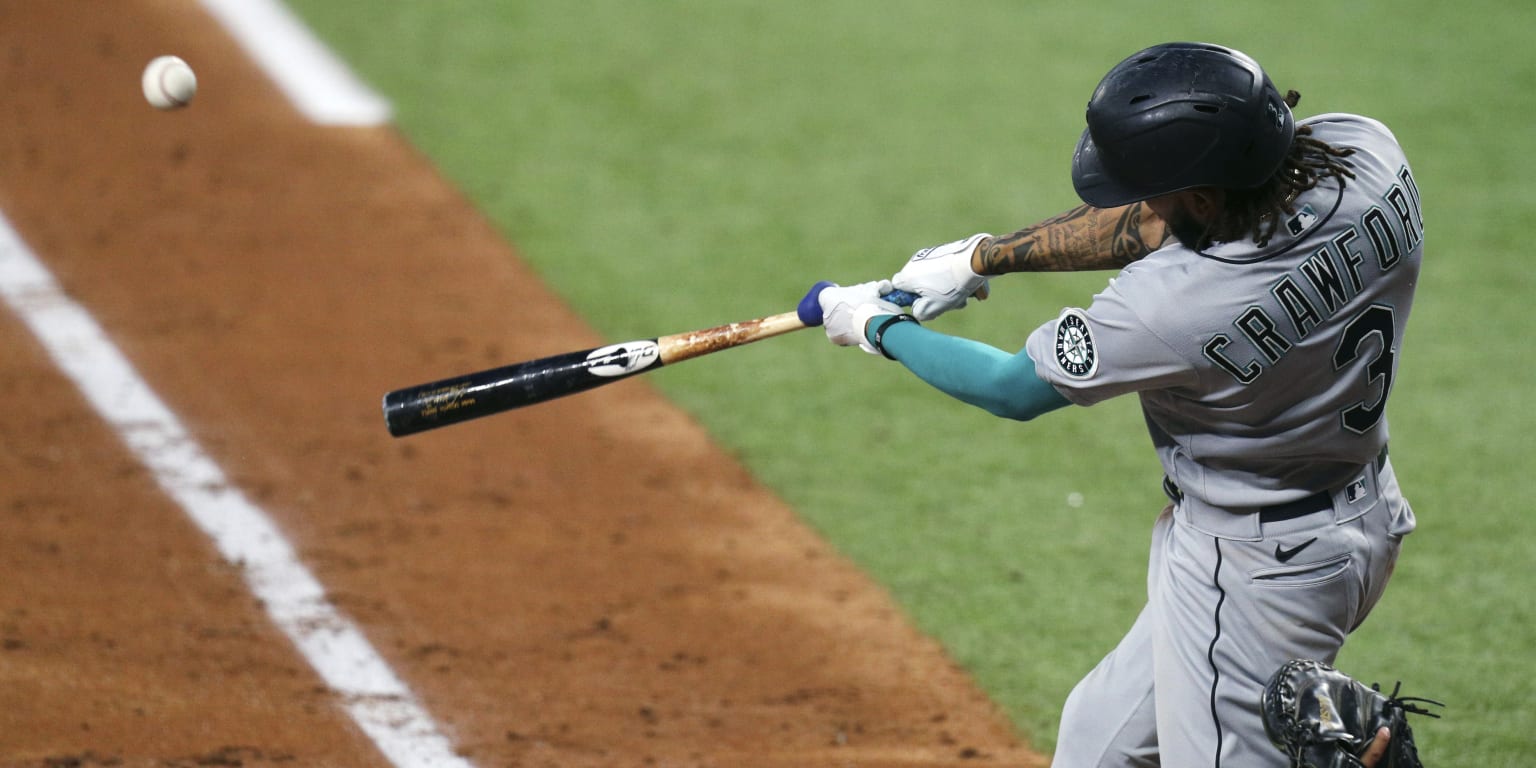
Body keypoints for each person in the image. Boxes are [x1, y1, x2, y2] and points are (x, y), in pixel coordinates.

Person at [812, 42, 1422, 767]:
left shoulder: (1174, 308)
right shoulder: (1368, 156)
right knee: (1100, 742)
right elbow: (1188, 219)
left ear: (1200, 196)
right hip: (1361, 511)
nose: (1143, 202)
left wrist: (878, 326)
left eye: (1156, 188)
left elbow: (1012, 388)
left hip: (1256, 571)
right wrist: (984, 256)